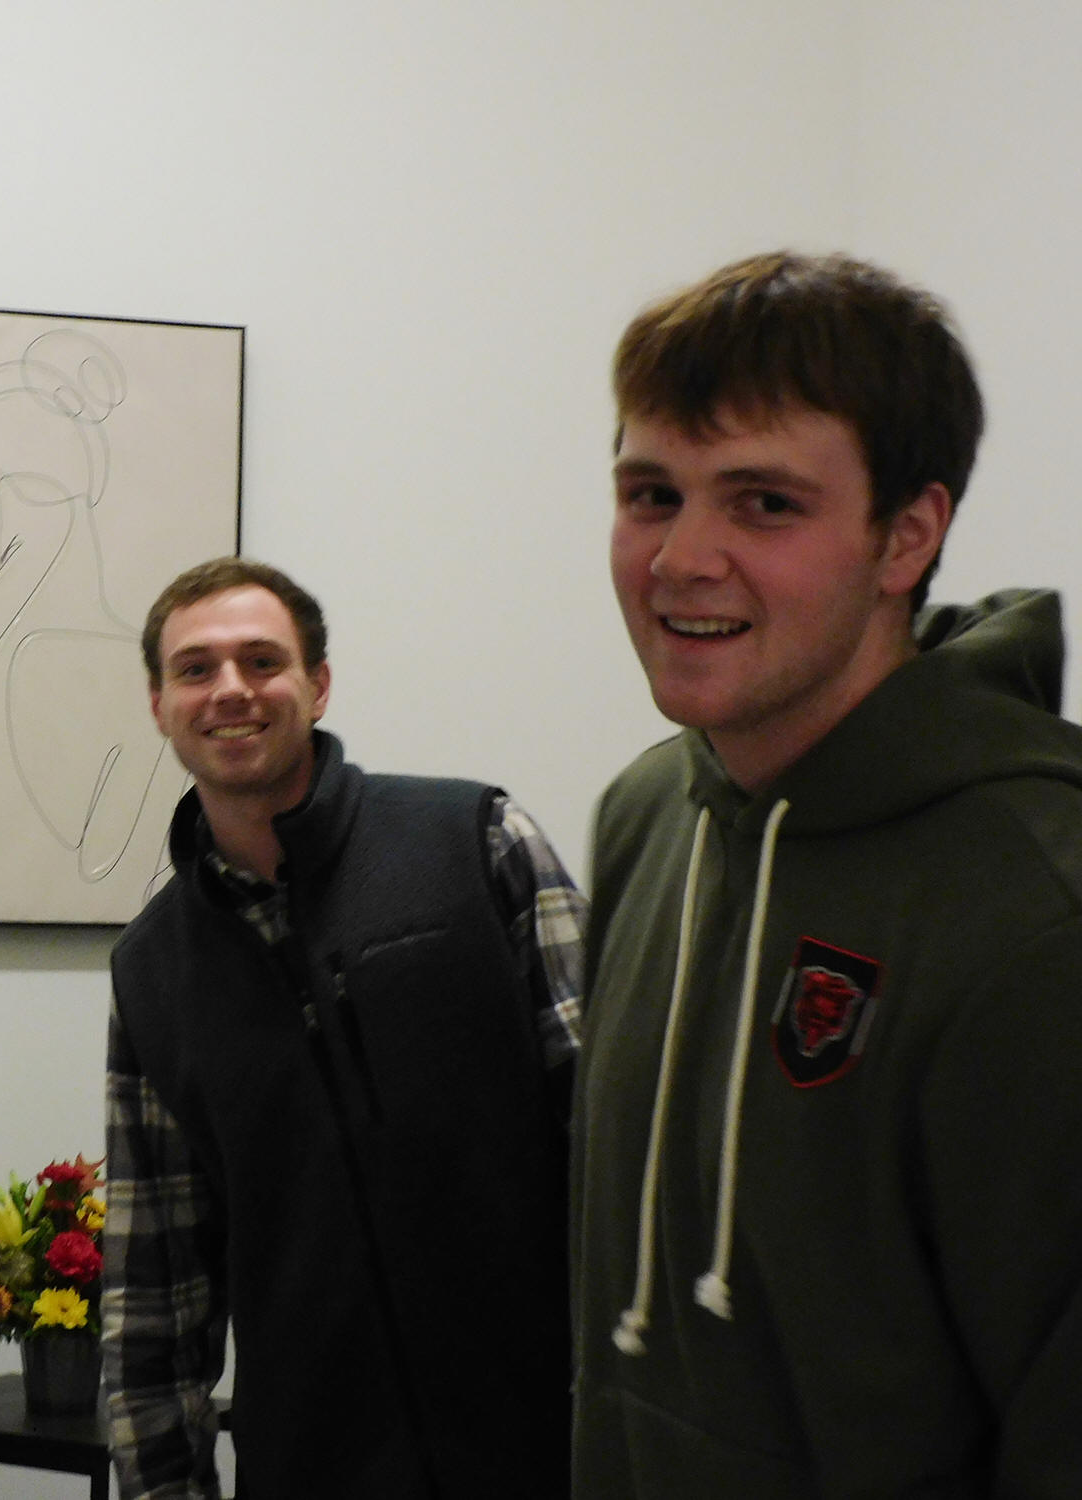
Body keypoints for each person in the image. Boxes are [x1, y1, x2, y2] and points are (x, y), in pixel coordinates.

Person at [575, 251, 1082, 1496]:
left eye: (762, 503)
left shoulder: (1037, 904)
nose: (679, 558)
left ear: (905, 535)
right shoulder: (645, 815)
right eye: (650, 493)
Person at [102, 557, 583, 1499]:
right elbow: (152, 1301)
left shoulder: (478, 843)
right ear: (159, 706)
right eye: (196, 669)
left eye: (261, 661)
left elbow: (618, 1147)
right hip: (312, 1469)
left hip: (549, 1451)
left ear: (317, 686)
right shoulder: (151, 973)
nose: (230, 689)